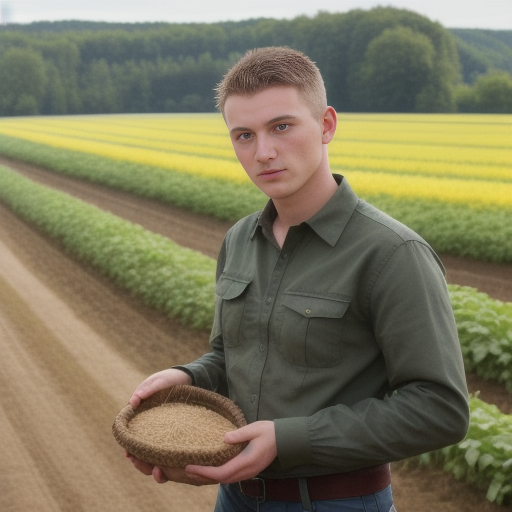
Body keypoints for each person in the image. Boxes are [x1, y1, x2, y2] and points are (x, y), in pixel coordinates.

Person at [126, 46, 470, 512]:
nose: (263, 152)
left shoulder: (393, 253)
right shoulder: (240, 240)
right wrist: (186, 377)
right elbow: (232, 357)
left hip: (337, 503)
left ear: (326, 125)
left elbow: (439, 409)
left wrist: (289, 439)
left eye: (281, 127)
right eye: (243, 135)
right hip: (235, 499)